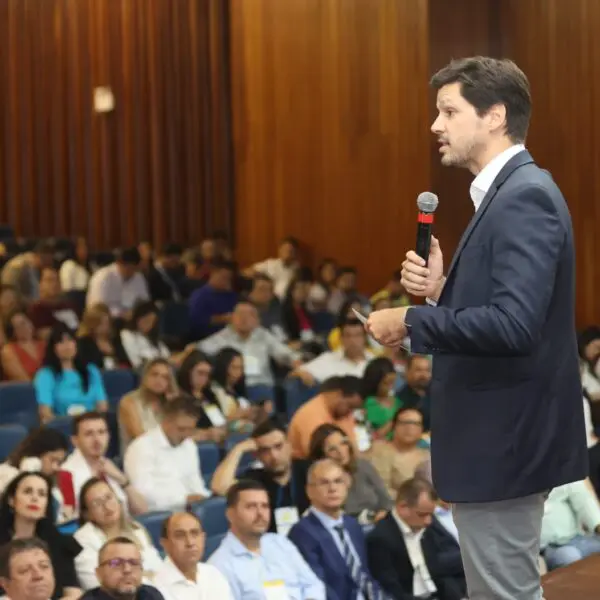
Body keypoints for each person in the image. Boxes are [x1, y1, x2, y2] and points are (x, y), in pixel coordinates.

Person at [366, 56, 587, 600]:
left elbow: (514, 327)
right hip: (500, 440)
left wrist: (411, 317)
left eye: (448, 111)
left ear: (494, 116)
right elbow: (508, 312)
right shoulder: (510, 193)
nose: (434, 125)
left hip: (503, 443)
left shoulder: (523, 197)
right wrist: (445, 292)